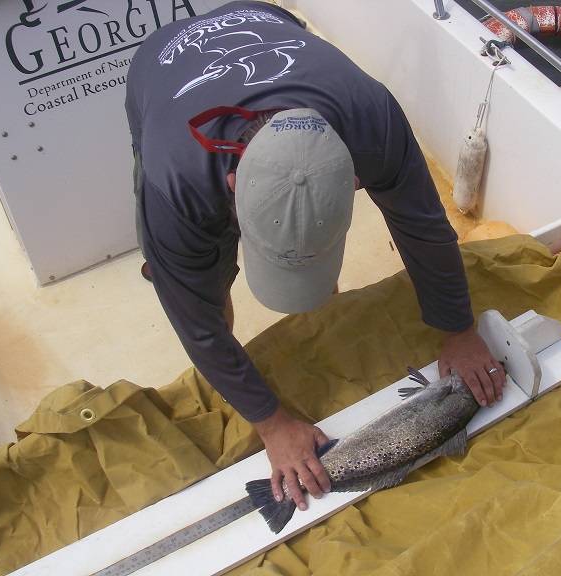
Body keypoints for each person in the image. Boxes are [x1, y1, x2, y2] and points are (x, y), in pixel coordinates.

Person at [125, 1, 505, 513]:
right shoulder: (174, 190)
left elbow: (423, 228)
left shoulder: (371, 120)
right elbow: (195, 323)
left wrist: (459, 330)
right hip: (158, 69)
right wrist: (271, 424)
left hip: (266, 23)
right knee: (202, 288)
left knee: (310, 238)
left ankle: (319, 293)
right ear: (232, 189)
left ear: (353, 182)